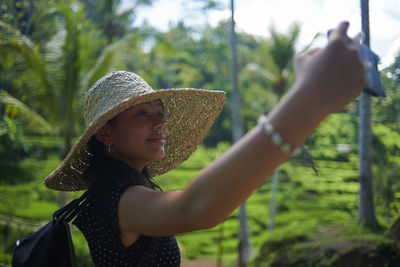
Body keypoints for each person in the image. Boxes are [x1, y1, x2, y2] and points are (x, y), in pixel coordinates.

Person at [44, 21, 368, 266]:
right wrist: (310, 99)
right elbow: (196, 208)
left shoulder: (118, 194)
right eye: (142, 114)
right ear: (105, 134)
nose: (159, 123)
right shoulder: (118, 201)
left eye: (160, 113)